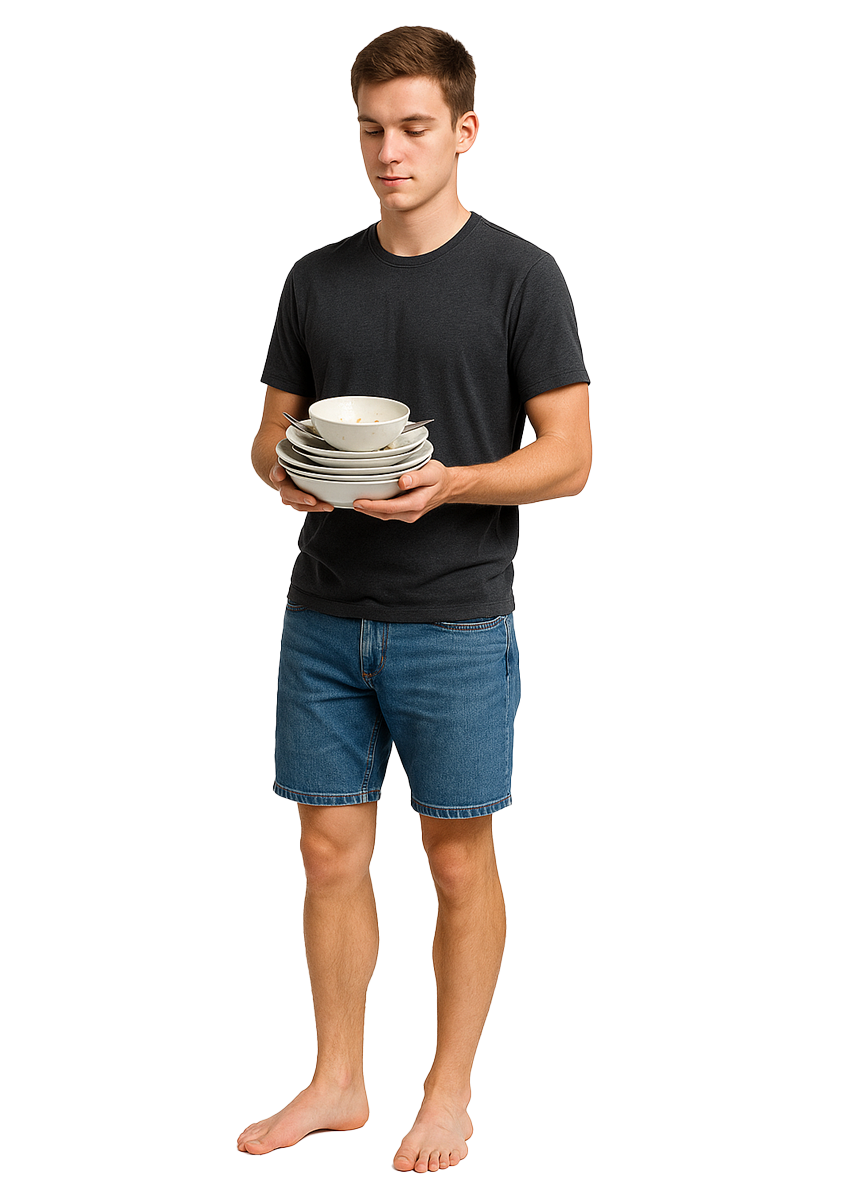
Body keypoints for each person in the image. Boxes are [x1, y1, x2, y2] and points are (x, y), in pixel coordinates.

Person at [236, 26, 591, 1173]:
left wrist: (455, 488)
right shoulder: (315, 278)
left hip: (459, 618)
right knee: (329, 853)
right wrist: (289, 478)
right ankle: (338, 1081)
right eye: (373, 129)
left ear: (464, 132)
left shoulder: (521, 276)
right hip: (324, 615)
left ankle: (448, 1092)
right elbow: (265, 439)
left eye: (414, 128)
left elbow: (572, 456)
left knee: (456, 857)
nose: (390, 151)